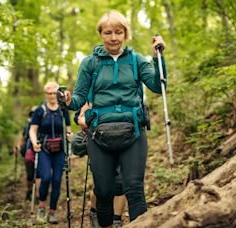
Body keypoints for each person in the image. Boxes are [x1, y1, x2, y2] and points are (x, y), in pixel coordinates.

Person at [64, 10, 166, 227]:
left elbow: (158, 86)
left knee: (134, 188)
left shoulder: (136, 60)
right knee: (103, 191)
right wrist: (68, 100)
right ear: (101, 34)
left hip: (133, 131)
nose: (113, 38)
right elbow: (78, 99)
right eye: (108, 32)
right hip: (99, 134)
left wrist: (159, 58)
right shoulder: (90, 63)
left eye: (118, 32)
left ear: (125, 34)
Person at [73, 103, 127, 228]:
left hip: (121, 138)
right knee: (102, 185)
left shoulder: (121, 91)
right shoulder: (89, 94)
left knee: (120, 182)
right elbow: (79, 119)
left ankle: (117, 220)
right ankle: (94, 211)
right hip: (98, 142)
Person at [29, 81, 73, 224]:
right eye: (49, 93)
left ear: (58, 93)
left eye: (54, 92)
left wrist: (69, 136)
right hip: (44, 150)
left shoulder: (63, 109)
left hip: (60, 150)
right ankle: (41, 206)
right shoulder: (40, 111)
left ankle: (52, 212)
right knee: (46, 177)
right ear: (45, 94)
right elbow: (32, 130)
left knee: (57, 180)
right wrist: (34, 142)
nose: (52, 95)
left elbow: (68, 128)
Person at [19, 106, 41, 202]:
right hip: (29, 150)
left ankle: (37, 194)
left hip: (40, 149)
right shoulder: (28, 125)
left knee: (38, 173)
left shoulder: (43, 122)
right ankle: (29, 190)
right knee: (30, 174)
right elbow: (24, 137)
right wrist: (19, 146)